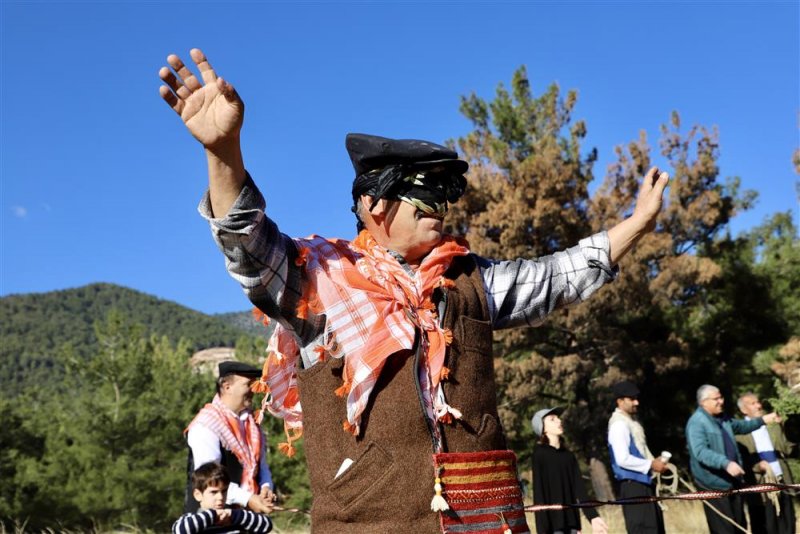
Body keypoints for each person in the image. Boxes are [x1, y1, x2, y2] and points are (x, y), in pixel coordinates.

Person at [158, 48, 669, 533]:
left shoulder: (469, 278)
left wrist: (638, 225)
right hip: (371, 522)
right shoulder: (317, 277)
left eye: (447, 195)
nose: (441, 209)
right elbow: (247, 245)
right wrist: (223, 151)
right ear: (375, 204)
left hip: (488, 519)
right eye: (426, 194)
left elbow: (556, 277)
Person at [686, 384, 781, 534]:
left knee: (740, 526)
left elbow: (742, 427)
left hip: (732, 483)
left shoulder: (723, 418)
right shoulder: (697, 423)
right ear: (704, 402)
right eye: (716, 399)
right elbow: (700, 452)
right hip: (713, 485)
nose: (721, 401)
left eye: (721, 397)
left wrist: (763, 420)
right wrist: (726, 463)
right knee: (725, 530)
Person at [185, 361, 275, 514]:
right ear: (227, 387)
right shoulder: (206, 425)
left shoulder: (251, 423)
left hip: (244, 518)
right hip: (211, 521)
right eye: (248, 384)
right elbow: (208, 479)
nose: (254, 390)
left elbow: (262, 466)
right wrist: (249, 499)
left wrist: (266, 487)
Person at [531, 407, 608, 534]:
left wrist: (593, 517)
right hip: (552, 527)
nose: (559, 421)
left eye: (558, 418)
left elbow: (580, 489)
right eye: (552, 419)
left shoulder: (568, 456)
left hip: (572, 523)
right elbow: (539, 493)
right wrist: (542, 530)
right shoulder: (539, 454)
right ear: (543, 428)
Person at [607, 380, 668, 534]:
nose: (637, 402)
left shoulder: (631, 422)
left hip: (644, 485)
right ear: (620, 401)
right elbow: (622, 459)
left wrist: (655, 463)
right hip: (633, 487)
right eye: (632, 399)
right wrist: (650, 465)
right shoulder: (618, 425)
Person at [735, 392, 796, 534]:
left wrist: (786, 427)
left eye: (758, 402)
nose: (759, 405)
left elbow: (787, 449)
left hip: (782, 480)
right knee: (765, 524)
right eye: (753, 403)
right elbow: (740, 459)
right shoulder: (739, 432)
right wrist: (758, 466)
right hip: (760, 484)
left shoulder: (773, 425)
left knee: (787, 523)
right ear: (744, 410)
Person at [173, 462, 273, 534]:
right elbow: (179, 530)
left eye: (224, 491)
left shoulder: (236, 519)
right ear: (198, 495)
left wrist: (234, 515)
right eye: (214, 492)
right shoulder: (192, 520)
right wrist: (213, 515)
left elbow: (266, 525)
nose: (220, 497)